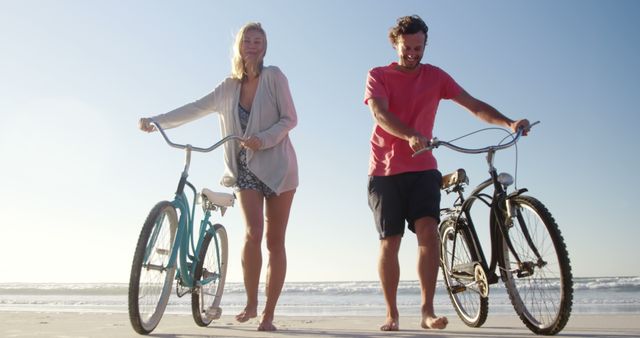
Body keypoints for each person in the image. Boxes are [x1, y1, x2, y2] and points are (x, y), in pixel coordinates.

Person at [363, 15, 529, 331]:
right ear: (395, 43)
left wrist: (508, 122)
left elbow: (473, 104)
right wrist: (410, 134)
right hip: (384, 171)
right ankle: (392, 313)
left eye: (418, 47)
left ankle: (427, 310)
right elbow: (380, 113)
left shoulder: (436, 77)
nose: (413, 53)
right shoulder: (378, 75)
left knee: (428, 231)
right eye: (407, 47)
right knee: (391, 240)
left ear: (426, 44)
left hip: (424, 167)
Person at [139, 22, 298, 332]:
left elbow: (290, 119)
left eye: (258, 41)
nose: (253, 45)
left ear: (264, 47)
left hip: (279, 167)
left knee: (274, 241)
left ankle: (267, 314)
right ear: (239, 46)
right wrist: (156, 121)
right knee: (253, 231)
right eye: (247, 41)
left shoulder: (274, 76)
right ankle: (251, 302)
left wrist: (262, 139)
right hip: (244, 169)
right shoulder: (227, 87)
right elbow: (195, 108)